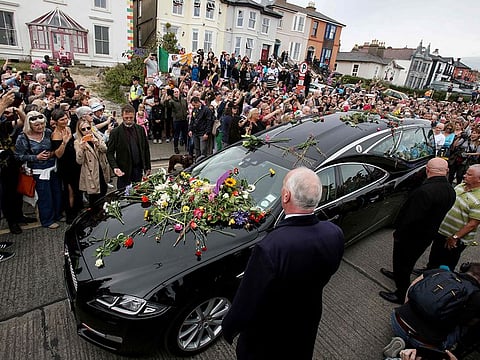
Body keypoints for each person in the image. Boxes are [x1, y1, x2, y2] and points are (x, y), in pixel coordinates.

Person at [221, 167, 345, 360]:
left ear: (286, 196)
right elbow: (330, 268)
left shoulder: (271, 247)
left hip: (268, 335)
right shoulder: (334, 232)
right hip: (306, 321)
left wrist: (229, 328)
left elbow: (248, 298)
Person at [379, 158, 456, 304]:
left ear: (427, 170)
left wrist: (398, 233)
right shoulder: (450, 190)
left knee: (403, 262)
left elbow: (410, 218)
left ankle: (401, 293)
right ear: (446, 171)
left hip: (411, 236)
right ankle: (397, 274)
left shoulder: (424, 191)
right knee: (409, 260)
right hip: (427, 235)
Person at [390, 263, 480, 358]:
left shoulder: (442, 272)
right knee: (464, 328)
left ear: (465, 268)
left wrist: (406, 308)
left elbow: (413, 285)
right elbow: (464, 322)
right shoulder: (476, 296)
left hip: (397, 320)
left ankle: (403, 343)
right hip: (422, 342)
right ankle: (423, 352)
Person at [426, 164, 480, 272]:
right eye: (466, 173)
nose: (464, 176)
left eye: (469, 175)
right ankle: (427, 272)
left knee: (447, 263)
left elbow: (472, 224)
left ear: (479, 180)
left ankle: (439, 284)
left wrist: (455, 237)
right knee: (434, 256)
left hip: (455, 238)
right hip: (442, 231)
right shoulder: (461, 186)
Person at [15, 111, 62, 229]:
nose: (40, 127)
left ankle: (57, 215)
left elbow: (54, 148)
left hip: (52, 168)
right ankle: (47, 220)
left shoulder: (48, 132)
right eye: (37, 125)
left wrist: (51, 154)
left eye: (42, 124)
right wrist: (36, 157)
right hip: (38, 172)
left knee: (56, 193)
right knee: (44, 197)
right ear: (29, 125)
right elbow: (18, 156)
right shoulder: (23, 137)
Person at [107, 104, 151, 190]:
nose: (128, 120)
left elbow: (145, 149)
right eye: (126, 118)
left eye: (131, 118)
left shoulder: (140, 129)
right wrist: (115, 167)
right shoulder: (115, 133)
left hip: (138, 170)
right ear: (122, 116)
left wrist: (148, 167)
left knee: (138, 194)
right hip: (123, 171)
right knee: (123, 197)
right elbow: (110, 153)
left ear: (134, 115)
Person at [50, 108, 82, 224]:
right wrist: (64, 141)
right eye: (62, 119)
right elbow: (58, 154)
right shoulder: (56, 135)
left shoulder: (68, 128)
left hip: (74, 163)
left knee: (77, 188)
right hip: (65, 165)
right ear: (56, 121)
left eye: (66, 118)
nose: (65, 121)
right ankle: (70, 214)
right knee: (69, 190)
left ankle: (77, 209)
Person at [74, 118, 111, 207]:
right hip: (91, 174)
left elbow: (105, 150)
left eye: (88, 128)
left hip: (101, 169)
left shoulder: (97, 136)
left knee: (103, 193)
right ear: (80, 131)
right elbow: (79, 161)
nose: (87, 131)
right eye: (83, 129)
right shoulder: (78, 142)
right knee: (94, 199)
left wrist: (97, 143)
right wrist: (82, 149)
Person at [167, 87, 188, 154]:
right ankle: (176, 147)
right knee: (176, 135)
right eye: (175, 92)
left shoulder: (183, 99)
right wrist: (167, 100)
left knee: (185, 134)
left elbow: (186, 107)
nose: (176, 93)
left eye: (177, 92)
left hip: (184, 119)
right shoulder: (171, 101)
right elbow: (168, 106)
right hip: (177, 120)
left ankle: (187, 146)